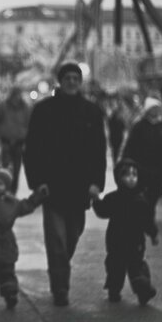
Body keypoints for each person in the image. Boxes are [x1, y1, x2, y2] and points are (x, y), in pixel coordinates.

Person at [23, 61, 107, 306]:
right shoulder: (44, 110)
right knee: (57, 240)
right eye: (67, 77)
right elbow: (32, 149)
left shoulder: (91, 111)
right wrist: (36, 182)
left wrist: (96, 183)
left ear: (80, 82)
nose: (71, 81)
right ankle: (60, 287)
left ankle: (59, 270)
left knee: (72, 235)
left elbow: (99, 150)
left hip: (80, 188)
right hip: (52, 187)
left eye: (75, 78)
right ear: (60, 81)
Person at [0, 169, 46, 309]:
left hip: (5, 241)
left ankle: (10, 294)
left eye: (0, 183)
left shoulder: (11, 202)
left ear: (6, 187)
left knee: (7, 270)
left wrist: (38, 197)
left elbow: (25, 206)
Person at [91, 158, 158, 305]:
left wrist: (153, 233)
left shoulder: (141, 200)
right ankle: (114, 289)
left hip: (135, 242)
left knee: (136, 266)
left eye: (135, 174)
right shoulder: (113, 198)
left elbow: (147, 220)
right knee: (116, 267)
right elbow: (103, 211)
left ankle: (143, 289)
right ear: (118, 178)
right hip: (116, 242)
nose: (131, 178)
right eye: (127, 174)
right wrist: (96, 200)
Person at [121, 97, 162, 222]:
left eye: (157, 108)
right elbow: (130, 146)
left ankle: (149, 212)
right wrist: (125, 162)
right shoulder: (139, 126)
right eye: (152, 109)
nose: (155, 111)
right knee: (142, 191)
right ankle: (145, 214)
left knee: (154, 193)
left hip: (159, 168)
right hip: (141, 166)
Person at [0, 87, 31, 193]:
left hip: (19, 142)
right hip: (6, 141)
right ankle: (5, 190)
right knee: (5, 169)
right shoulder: (3, 107)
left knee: (17, 169)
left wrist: (26, 140)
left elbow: (29, 124)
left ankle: (13, 192)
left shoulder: (25, 108)